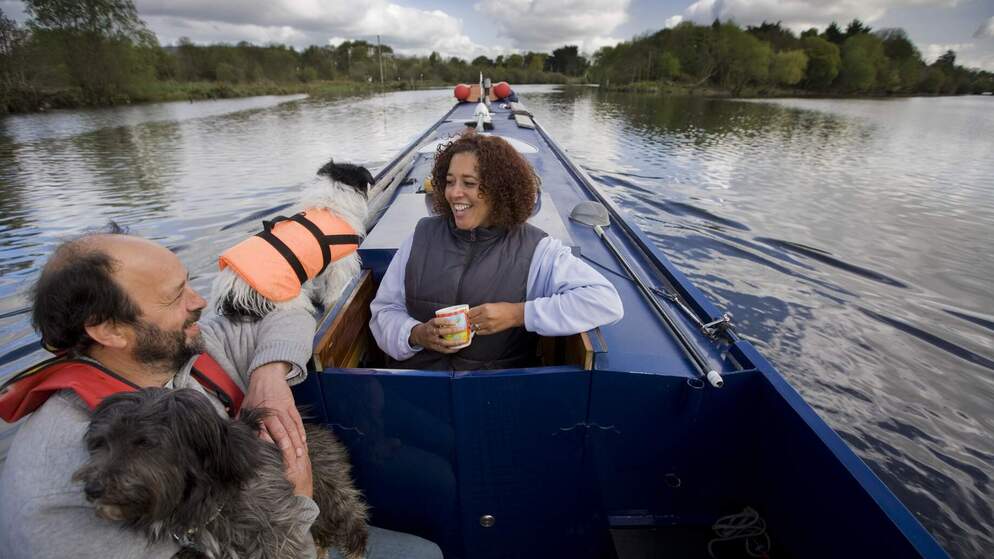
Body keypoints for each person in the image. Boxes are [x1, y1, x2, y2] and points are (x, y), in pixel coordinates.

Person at [0, 225, 442, 559]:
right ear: (109, 330)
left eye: (189, 283)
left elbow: (282, 314)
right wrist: (301, 502)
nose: (200, 301)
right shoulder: (56, 484)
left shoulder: (185, 351)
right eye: (175, 297)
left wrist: (271, 372)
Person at [370, 133, 624, 370]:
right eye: (449, 182)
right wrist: (415, 334)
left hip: (497, 396)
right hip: (417, 392)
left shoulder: (538, 250)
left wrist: (518, 314)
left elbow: (605, 301)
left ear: (500, 189)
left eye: (468, 183)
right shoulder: (420, 237)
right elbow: (384, 311)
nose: (454, 193)